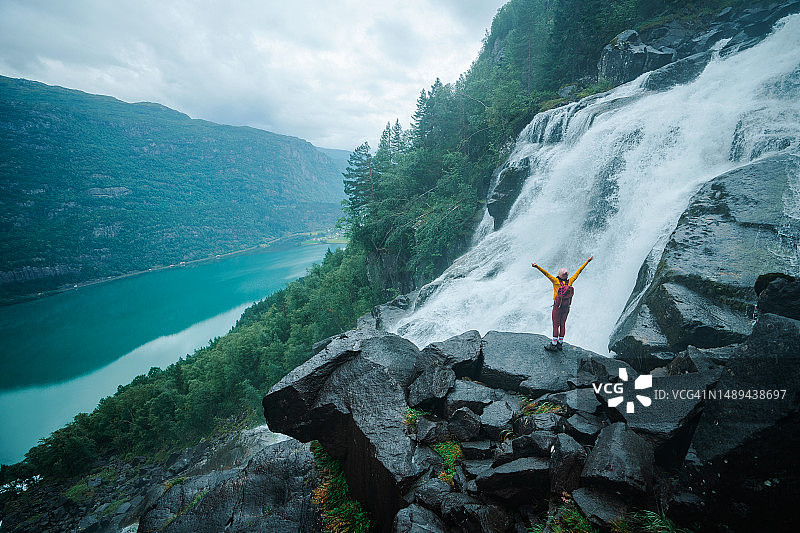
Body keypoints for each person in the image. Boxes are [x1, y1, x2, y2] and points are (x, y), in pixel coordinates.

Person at [531, 256, 593, 352]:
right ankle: (560, 343)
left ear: (559, 275)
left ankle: (554, 344)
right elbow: (579, 271)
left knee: (556, 325)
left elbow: (546, 274)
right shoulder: (570, 281)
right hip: (566, 307)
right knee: (563, 324)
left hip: (558, 306)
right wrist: (587, 261)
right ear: (567, 276)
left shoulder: (555, 281)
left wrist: (537, 266)